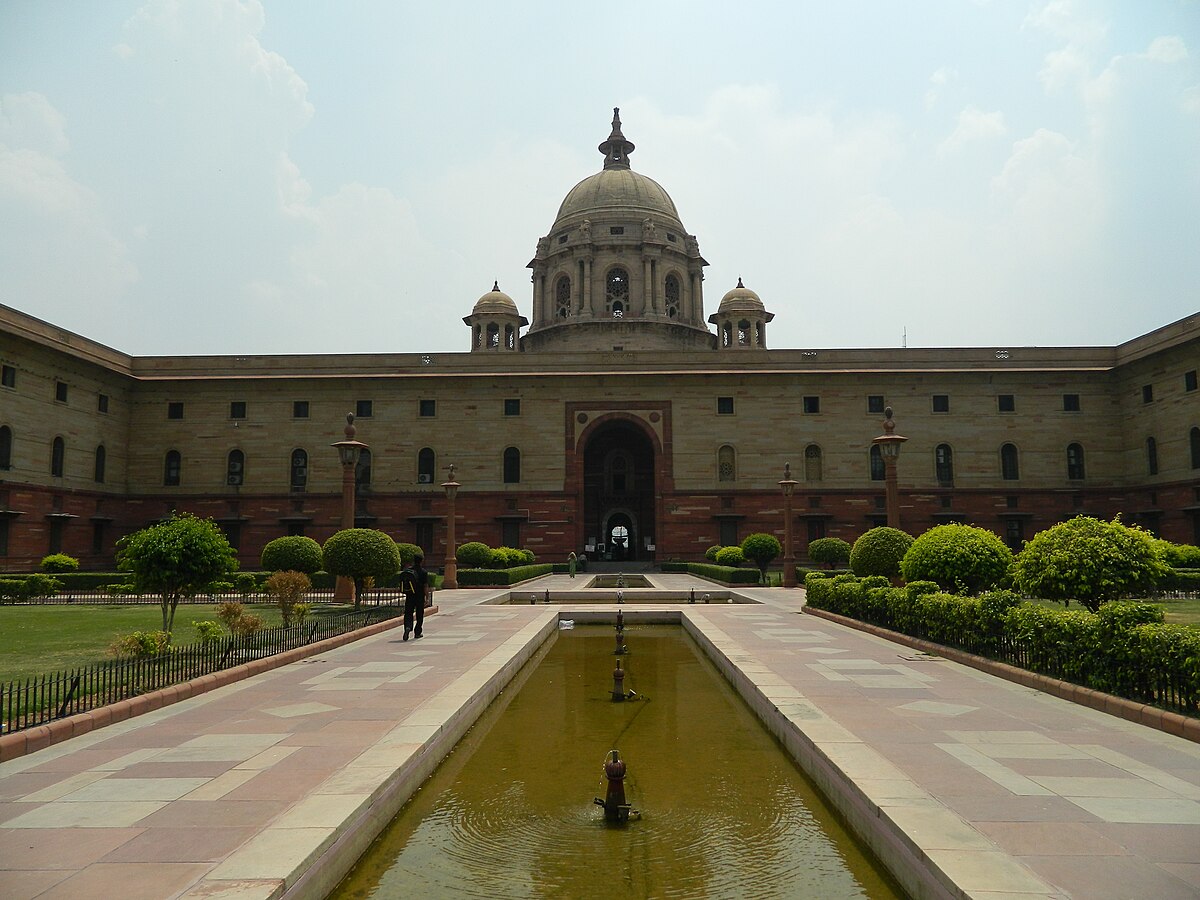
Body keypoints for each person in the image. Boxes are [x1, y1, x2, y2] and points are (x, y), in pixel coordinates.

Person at [400, 552, 428, 641]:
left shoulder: (408, 571)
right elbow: (425, 586)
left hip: (410, 595)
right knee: (419, 614)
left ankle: (408, 627)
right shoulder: (423, 572)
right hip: (419, 596)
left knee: (408, 612)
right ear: (421, 561)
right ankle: (417, 632)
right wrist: (426, 597)